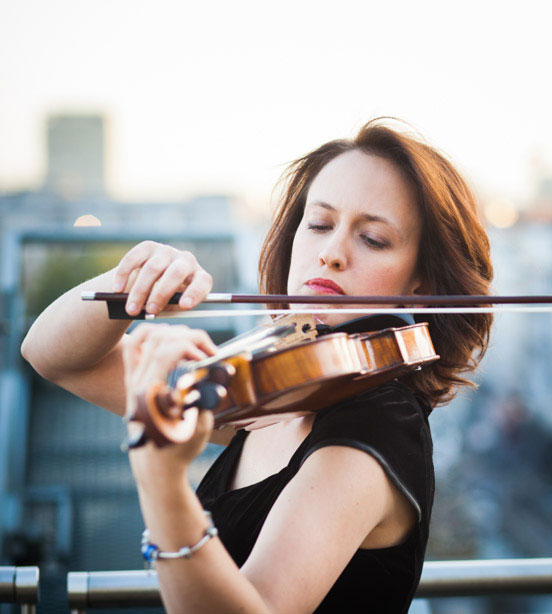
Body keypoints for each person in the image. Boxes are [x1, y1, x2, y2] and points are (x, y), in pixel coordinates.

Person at [20, 119, 493, 613]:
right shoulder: (278, 387)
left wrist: (161, 482)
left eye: (372, 238)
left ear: (421, 284)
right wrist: (130, 282)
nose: (331, 253)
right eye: (319, 224)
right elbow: (52, 356)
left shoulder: (378, 426)